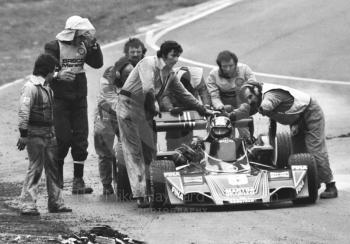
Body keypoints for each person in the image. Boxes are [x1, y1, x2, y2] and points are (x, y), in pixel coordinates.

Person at [116, 40, 211, 208]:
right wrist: (154, 106)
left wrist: (202, 109)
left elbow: (183, 94)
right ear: (163, 54)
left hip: (146, 109)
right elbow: (147, 89)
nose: (176, 59)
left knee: (150, 150)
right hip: (129, 105)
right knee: (134, 150)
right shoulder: (148, 63)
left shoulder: (170, 74)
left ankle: (154, 188)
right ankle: (140, 194)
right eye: (173, 55)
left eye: (178, 56)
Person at [238, 82, 338, 199]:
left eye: (250, 97)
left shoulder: (270, 94)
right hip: (296, 120)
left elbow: (267, 105)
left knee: (315, 149)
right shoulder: (260, 97)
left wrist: (259, 109)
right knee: (297, 156)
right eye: (247, 100)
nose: (250, 101)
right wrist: (232, 115)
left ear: (256, 91)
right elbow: (270, 123)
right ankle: (312, 183)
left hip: (311, 113)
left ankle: (331, 185)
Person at [45, 15, 103, 194]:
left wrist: (94, 45)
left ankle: (78, 180)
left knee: (80, 139)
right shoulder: (54, 46)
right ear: (71, 33)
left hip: (79, 97)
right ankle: (58, 178)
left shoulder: (85, 45)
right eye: (81, 34)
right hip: (60, 98)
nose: (83, 38)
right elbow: (42, 70)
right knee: (62, 139)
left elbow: (97, 63)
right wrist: (57, 75)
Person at [17, 53, 72, 215]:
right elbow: (23, 111)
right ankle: (28, 204)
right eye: (53, 70)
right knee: (35, 168)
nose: (55, 73)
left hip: (48, 133)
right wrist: (23, 134)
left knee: (53, 168)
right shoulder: (30, 88)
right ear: (47, 70)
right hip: (35, 134)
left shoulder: (46, 87)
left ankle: (55, 202)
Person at [94, 38, 146, 195]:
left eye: (138, 51)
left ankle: (134, 180)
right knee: (104, 150)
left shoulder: (145, 69)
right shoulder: (112, 71)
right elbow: (106, 94)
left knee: (135, 146)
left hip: (129, 113)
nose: (136, 54)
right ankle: (106, 184)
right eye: (132, 51)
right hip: (106, 113)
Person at [207, 50, 259, 139]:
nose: (228, 69)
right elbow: (214, 96)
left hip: (242, 104)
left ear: (235, 64)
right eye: (224, 66)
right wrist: (220, 107)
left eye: (231, 66)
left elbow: (253, 87)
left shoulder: (245, 69)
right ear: (220, 66)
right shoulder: (213, 75)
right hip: (224, 107)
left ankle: (247, 141)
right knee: (224, 135)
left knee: (246, 135)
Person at [160, 66, 211, 150]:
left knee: (187, 131)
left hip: (190, 103)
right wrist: (170, 108)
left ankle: (187, 150)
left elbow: (204, 92)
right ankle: (172, 152)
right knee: (173, 134)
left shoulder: (197, 76)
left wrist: (206, 107)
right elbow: (164, 95)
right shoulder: (169, 77)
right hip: (175, 104)